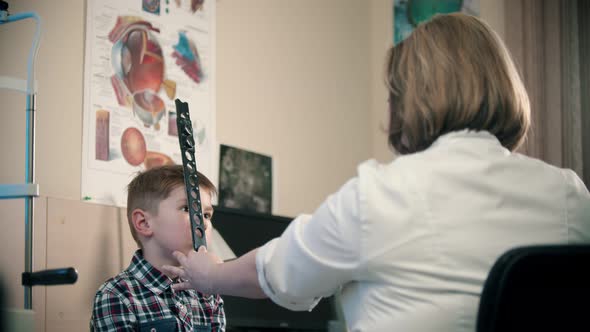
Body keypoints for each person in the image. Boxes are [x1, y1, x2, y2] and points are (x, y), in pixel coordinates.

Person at [162, 13, 590, 332]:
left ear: (408, 100)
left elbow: (278, 271)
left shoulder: (383, 195)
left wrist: (210, 274)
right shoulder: (571, 195)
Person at [91, 165, 225, 331]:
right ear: (144, 223)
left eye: (206, 215)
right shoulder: (116, 295)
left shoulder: (207, 292)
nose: (204, 223)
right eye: (186, 208)